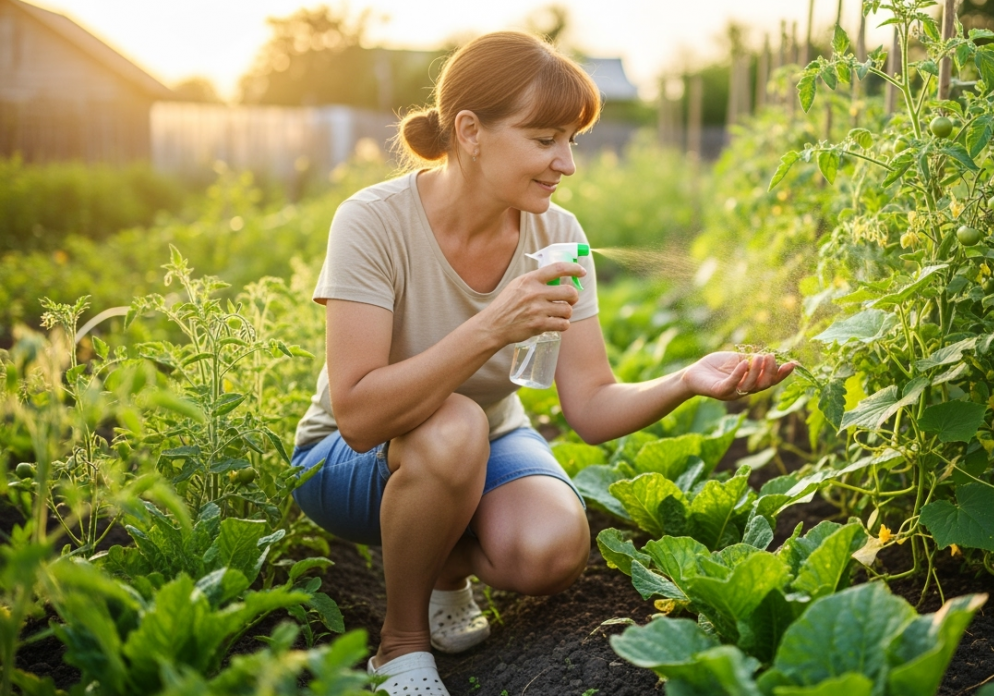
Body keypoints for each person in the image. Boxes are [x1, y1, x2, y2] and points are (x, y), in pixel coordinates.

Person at [289, 31, 795, 694]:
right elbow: (358, 416)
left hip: (482, 443)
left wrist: (687, 380)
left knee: (551, 549)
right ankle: (401, 644)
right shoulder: (373, 222)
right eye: (545, 139)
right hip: (347, 462)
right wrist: (491, 326)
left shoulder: (558, 233)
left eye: (572, 140)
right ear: (470, 131)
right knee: (455, 425)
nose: (567, 163)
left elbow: (591, 405)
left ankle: (442, 566)